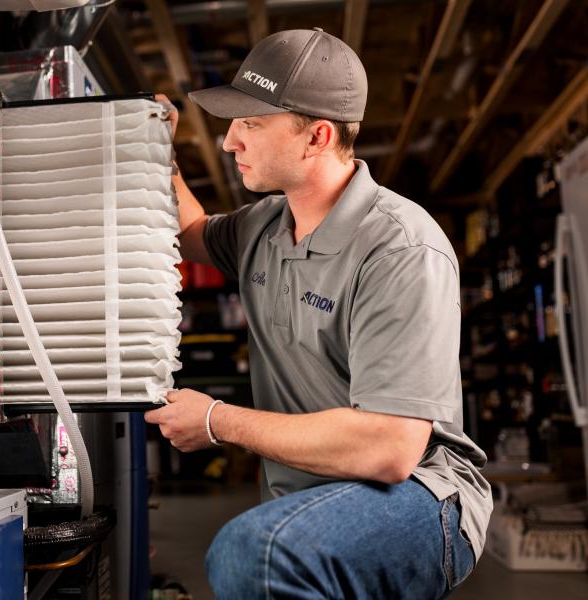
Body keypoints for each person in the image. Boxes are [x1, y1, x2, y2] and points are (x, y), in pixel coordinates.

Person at [145, 28, 492, 599]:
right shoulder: (264, 225)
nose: (230, 142)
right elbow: (190, 234)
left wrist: (217, 421)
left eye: (250, 123)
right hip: (312, 496)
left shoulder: (400, 248)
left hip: (421, 495)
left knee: (255, 552)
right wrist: (160, 152)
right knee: (267, 546)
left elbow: (389, 447)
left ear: (317, 137)